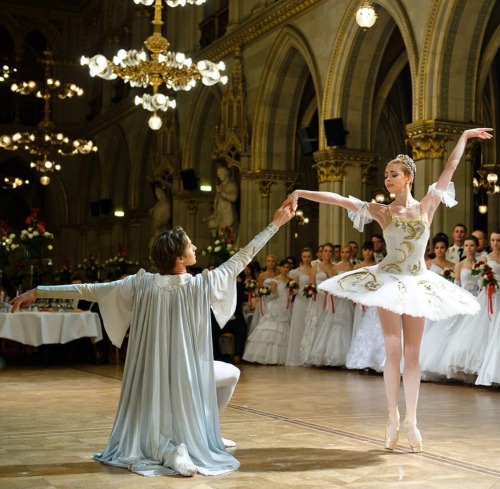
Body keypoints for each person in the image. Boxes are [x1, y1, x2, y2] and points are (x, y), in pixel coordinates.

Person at [11, 204, 294, 478]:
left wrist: (39, 291)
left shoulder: (141, 283)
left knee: (229, 373)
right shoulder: (201, 284)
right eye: (190, 245)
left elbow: (89, 290)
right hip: (188, 375)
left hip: (150, 377)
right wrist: (276, 224)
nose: (195, 247)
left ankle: (199, 433)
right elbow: (244, 256)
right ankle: (188, 442)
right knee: (231, 372)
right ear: (179, 259)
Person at [284, 127, 492, 453]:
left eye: (393, 174)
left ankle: (412, 419)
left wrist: (464, 137)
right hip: (388, 283)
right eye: (386, 175)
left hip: (418, 283)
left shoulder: (427, 206)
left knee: (413, 354)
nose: (387, 179)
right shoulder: (383, 211)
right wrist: (301, 192)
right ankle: (392, 416)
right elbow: (339, 200)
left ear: (409, 177)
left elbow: (450, 168)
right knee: (393, 350)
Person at [243, 259, 292, 365]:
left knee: (285, 328)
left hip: (288, 305)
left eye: (288, 267)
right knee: (272, 327)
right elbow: (273, 293)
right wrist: (264, 295)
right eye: (283, 267)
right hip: (278, 305)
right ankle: (265, 356)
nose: (285, 269)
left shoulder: (290, 280)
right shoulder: (276, 280)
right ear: (280, 268)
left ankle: (282, 357)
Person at [285, 247, 313, 366]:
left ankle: (308, 355)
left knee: (310, 325)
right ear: (301, 258)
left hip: (312, 300)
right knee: (299, 325)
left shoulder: (314, 269)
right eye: (304, 256)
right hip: (300, 300)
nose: (306, 259)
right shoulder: (296, 271)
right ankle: (296, 356)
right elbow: (293, 286)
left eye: (308, 256)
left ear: (312, 257)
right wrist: (293, 287)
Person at [207, 164, 239, 240]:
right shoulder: (220, 186)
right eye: (218, 174)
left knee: (228, 236)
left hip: (228, 214)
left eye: (221, 174)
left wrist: (221, 193)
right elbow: (217, 202)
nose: (219, 176)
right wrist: (214, 214)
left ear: (226, 174)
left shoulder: (231, 185)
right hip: (220, 214)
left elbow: (234, 198)